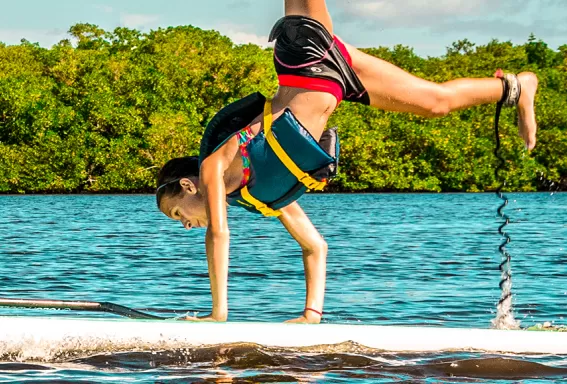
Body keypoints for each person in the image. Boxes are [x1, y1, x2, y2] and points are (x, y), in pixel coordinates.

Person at [155, 0, 538, 324]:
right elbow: (315, 247)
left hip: (305, 60)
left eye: (177, 213)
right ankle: (516, 88)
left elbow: (218, 236)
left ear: (187, 186)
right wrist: (311, 315)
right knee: (437, 103)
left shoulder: (214, 167)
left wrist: (218, 314)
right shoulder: (260, 193)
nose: (186, 224)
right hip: (339, 80)